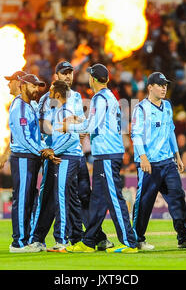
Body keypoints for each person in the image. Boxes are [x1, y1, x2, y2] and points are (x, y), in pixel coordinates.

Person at [31, 61, 112, 252]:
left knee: (83, 197)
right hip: (57, 155)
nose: (68, 76)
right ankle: (38, 238)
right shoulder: (48, 98)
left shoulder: (75, 96)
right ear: (56, 75)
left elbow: (79, 122)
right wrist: (55, 142)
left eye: (70, 73)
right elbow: (43, 126)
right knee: (50, 198)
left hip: (75, 153)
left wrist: (76, 129)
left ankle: (89, 237)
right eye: (64, 73)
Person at [63, 63, 139, 253]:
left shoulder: (100, 98)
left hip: (107, 154)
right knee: (97, 200)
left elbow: (92, 126)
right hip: (104, 154)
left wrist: (69, 127)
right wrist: (79, 122)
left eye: (89, 76)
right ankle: (89, 241)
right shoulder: (108, 97)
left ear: (93, 79)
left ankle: (129, 242)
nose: (88, 78)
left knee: (114, 198)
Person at [131, 72, 186, 250]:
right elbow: (136, 135)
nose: (164, 88)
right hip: (150, 163)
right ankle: (137, 239)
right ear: (150, 87)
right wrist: (143, 158)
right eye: (160, 84)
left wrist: (177, 155)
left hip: (167, 161)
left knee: (177, 196)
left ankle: (184, 237)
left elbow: (171, 131)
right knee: (145, 202)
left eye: (165, 84)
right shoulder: (140, 109)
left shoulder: (168, 106)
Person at [7, 73, 54, 253]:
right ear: (23, 85)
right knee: (22, 199)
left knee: (29, 198)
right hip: (23, 157)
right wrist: (41, 151)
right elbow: (24, 138)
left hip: (31, 157)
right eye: (33, 86)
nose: (36, 90)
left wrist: (42, 149)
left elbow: (35, 135)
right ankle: (18, 242)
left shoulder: (30, 106)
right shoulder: (19, 107)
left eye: (38, 87)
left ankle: (26, 238)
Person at [0, 70, 26, 170]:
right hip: (22, 154)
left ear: (18, 83)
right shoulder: (19, 102)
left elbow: (19, 132)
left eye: (11, 81)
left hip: (24, 155)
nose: (8, 84)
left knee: (23, 185)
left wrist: (5, 155)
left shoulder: (21, 104)